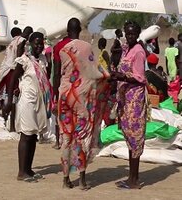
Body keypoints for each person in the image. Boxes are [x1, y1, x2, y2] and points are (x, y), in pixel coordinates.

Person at [55, 18, 106, 190]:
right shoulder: (87, 48)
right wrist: (107, 77)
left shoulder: (61, 48)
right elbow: (94, 72)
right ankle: (82, 180)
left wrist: (56, 99)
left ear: (68, 30)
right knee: (82, 135)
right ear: (80, 29)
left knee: (66, 138)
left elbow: (57, 75)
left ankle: (65, 179)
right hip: (81, 98)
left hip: (64, 97)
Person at [3, 32, 51, 182]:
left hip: (39, 101)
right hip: (27, 101)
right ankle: (21, 172)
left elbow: (46, 79)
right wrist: (9, 101)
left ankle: (29, 169)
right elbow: (12, 81)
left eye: (41, 43)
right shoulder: (24, 60)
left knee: (34, 135)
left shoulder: (43, 60)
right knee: (26, 135)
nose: (39, 46)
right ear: (30, 44)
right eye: (36, 43)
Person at [111, 20, 146, 190]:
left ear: (137, 34)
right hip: (126, 98)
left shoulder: (138, 52)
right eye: (128, 33)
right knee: (129, 136)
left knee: (135, 136)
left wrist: (121, 77)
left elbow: (139, 77)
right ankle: (132, 177)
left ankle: (134, 180)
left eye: (133, 34)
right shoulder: (127, 49)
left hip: (134, 100)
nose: (130, 36)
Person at [0, 27, 23, 112]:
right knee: (13, 94)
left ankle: (5, 113)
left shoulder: (11, 44)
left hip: (6, 70)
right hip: (13, 70)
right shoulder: (20, 41)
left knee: (6, 92)